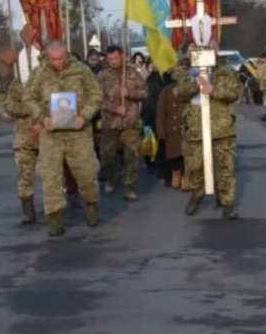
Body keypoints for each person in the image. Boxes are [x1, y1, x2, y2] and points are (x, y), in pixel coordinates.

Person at [23, 40, 102, 237]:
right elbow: (28, 98)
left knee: (86, 173)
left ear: (66, 55)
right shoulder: (39, 73)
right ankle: (55, 217)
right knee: (51, 177)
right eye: (54, 59)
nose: (58, 62)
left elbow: (96, 95)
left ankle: (91, 203)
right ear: (48, 57)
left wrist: (84, 115)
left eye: (61, 58)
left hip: (78, 132)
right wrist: (42, 117)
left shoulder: (82, 71)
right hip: (51, 134)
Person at [174, 56, 242, 218]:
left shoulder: (226, 71)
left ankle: (227, 203)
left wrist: (214, 90)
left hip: (222, 128)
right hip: (196, 128)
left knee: (225, 167)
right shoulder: (187, 70)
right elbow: (178, 93)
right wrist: (194, 85)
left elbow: (234, 93)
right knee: (195, 167)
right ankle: (197, 193)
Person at [97, 45, 148, 202]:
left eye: (116, 58)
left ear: (122, 56)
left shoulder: (132, 73)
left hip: (129, 122)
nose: (113, 61)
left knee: (131, 156)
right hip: (110, 122)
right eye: (110, 58)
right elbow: (97, 99)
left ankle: (129, 187)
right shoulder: (102, 76)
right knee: (107, 155)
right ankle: (111, 179)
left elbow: (145, 92)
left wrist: (130, 93)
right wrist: (114, 108)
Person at [1, 49, 39, 225]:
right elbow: (10, 106)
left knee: (53, 173)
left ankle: (57, 205)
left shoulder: (49, 82)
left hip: (47, 134)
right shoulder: (17, 85)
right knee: (25, 174)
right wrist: (29, 110)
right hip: (24, 137)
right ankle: (28, 210)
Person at [156, 75, 185, 189]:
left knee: (186, 154)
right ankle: (175, 173)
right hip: (171, 129)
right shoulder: (166, 92)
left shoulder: (189, 90)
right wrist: (161, 132)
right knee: (173, 155)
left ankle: (185, 175)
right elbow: (160, 113)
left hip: (184, 127)